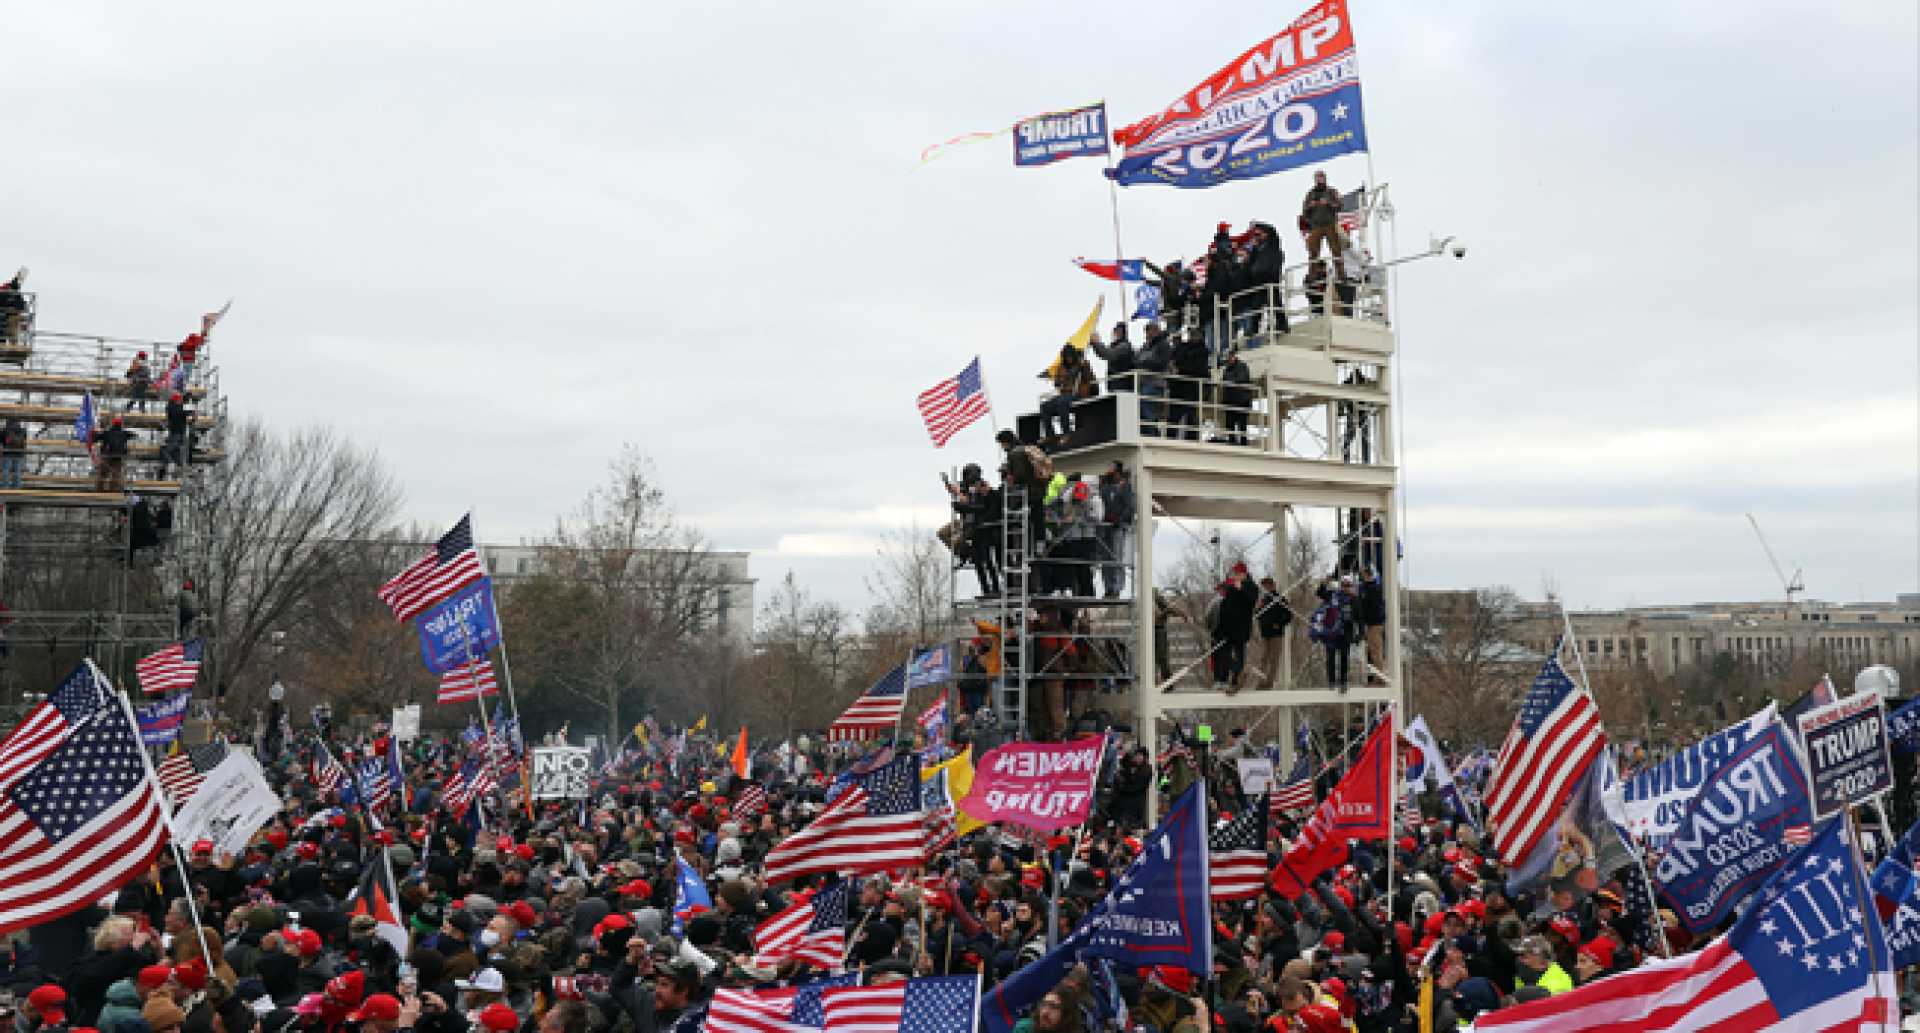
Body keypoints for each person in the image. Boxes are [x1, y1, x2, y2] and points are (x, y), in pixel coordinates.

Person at [1038, 345, 1096, 442]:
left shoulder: (1082, 364)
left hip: (1078, 393)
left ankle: (1066, 433)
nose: (1068, 358)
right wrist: (1060, 380)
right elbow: (1056, 382)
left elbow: (1090, 378)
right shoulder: (1061, 367)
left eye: (1070, 356)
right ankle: (1050, 435)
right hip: (1064, 394)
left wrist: (1084, 367)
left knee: (1062, 403)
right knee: (1044, 406)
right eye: (1066, 356)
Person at [1096, 462, 1133, 599]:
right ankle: (1108, 588)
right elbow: (1100, 505)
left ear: (1117, 471)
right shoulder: (1105, 488)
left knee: (1116, 556)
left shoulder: (1124, 486)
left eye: (1111, 468)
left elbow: (1129, 507)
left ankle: (1117, 587)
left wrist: (1120, 519)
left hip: (1118, 527)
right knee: (1106, 558)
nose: (1108, 470)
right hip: (1105, 527)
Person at [1309, 575, 1353, 690]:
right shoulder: (1333, 595)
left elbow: (1359, 616)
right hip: (1331, 633)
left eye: (1348, 585)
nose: (1345, 587)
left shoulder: (1354, 599)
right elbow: (1319, 592)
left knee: (1344, 657)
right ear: (1340, 585)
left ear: (1351, 586)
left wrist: (1360, 631)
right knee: (1331, 658)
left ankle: (1343, 682)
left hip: (1345, 632)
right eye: (1344, 585)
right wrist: (1325, 582)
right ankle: (1332, 682)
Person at [1166, 327, 1209, 442]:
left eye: (1195, 334)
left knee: (1191, 420)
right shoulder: (1182, 346)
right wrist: (1174, 366)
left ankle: (1192, 442)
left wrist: (1180, 368)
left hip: (1191, 390)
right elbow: (1172, 358)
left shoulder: (1203, 351)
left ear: (1201, 336)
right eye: (1191, 333)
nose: (1192, 336)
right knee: (1173, 419)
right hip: (1178, 388)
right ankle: (1170, 440)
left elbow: (1197, 368)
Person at [1252, 577, 1293, 688]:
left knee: (1273, 658)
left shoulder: (1280, 599)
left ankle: (1269, 682)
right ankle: (1261, 681)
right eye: (1264, 586)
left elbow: (1289, 616)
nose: (1265, 588)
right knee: (1263, 658)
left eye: (1267, 585)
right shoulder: (1263, 601)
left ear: (1272, 586)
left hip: (1276, 634)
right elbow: (1257, 615)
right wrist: (1258, 608)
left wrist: (1279, 624)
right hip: (1264, 633)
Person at [1135, 322, 1171, 436]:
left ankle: (1152, 434)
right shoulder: (1146, 346)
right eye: (1146, 331)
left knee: (1147, 410)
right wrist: (1143, 361)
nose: (1147, 334)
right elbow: (1136, 360)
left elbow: (1161, 363)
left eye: (1149, 331)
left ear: (1155, 331)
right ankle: (1150, 433)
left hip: (1156, 383)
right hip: (1144, 383)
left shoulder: (1163, 345)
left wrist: (1144, 361)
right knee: (1142, 409)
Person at [1301, 171, 1344, 262]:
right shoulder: (1310, 194)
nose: (1319, 179)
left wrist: (1329, 203)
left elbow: (1340, 206)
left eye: (1321, 177)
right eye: (1317, 177)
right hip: (1315, 227)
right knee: (1313, 253)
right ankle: (1314, 271)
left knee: (1336, 250)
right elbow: (1304, 212)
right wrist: (1310, 206)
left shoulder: (1332, 191)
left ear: (1325, 178)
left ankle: (1340, 270)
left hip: (1330, 225)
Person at [1356, 567, 1387, 685]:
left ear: (1367, 575)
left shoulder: (1373, 589)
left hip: (1374, 624)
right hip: (1371, 624)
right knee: (1372, 651)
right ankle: (1376, 677)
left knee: (1375, 651)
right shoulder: (1368, 588)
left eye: (1363, 575)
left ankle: (1379, 678)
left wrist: (1366, 620)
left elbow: (1372, 608)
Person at [1218, 347, 1253, 446]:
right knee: (1230, 425)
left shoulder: (1242, 366)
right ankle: (1232, 442)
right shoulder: (1227, 369)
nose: (1228, 359)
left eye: (1229, 357)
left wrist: (1229, 380)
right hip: (1231, 401)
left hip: (1241, 401)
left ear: (1233, 356)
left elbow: (1241, 379)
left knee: (1242, 426)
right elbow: (1226, 383)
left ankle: (1243, 443)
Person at [1089, 322, 1136, 394]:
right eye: (1115, 330)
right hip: (1114, 384)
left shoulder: (1125, 346)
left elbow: (1108, 354)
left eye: (1117, 330)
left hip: (1123, 385)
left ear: (1122, 332)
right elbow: (1103, 354)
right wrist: (1095, 345)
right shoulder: (1115, 346)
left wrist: (1097, 342)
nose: (1115, 332)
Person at [93, 416, 133, 493]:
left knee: (103, 473)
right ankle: (114, 490)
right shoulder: (124, 433)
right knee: (116, 474)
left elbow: (95, 438)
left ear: (113, 424)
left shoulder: (107, 433)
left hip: (107, 455)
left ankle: (99, 490)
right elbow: (133, 435)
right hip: (118, 457)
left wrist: (95, 432)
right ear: (120, 424)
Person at [0, 415, 26, 489]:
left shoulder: (5, 430)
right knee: (17, 471)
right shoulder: (23, 430)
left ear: (8, 421)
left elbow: (1, 441)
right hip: (19, 453)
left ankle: (5, 486)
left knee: (6, 471)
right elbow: (24, 442)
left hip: (7, 453)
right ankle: (17, 486)